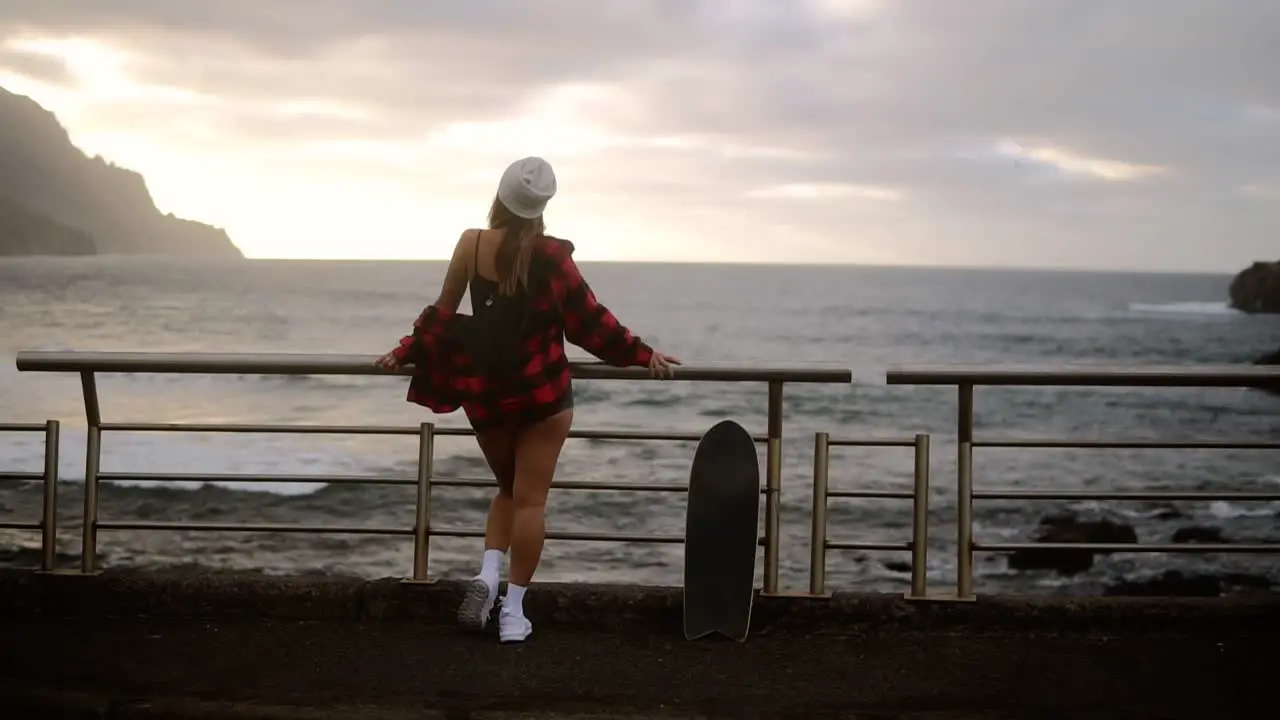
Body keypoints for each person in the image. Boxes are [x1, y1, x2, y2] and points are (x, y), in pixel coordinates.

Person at [375, 156, 680, 644]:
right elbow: (589, 322)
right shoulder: (553, 255)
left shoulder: (471, 244)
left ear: (499, 196)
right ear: (542, 206)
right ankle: (513, 613)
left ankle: (487, 575)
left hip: (487, 396)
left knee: (510, 492)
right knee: (531, 501)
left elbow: (442, 311)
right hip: (542, 396)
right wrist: (643, 354)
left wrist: (403, 351)